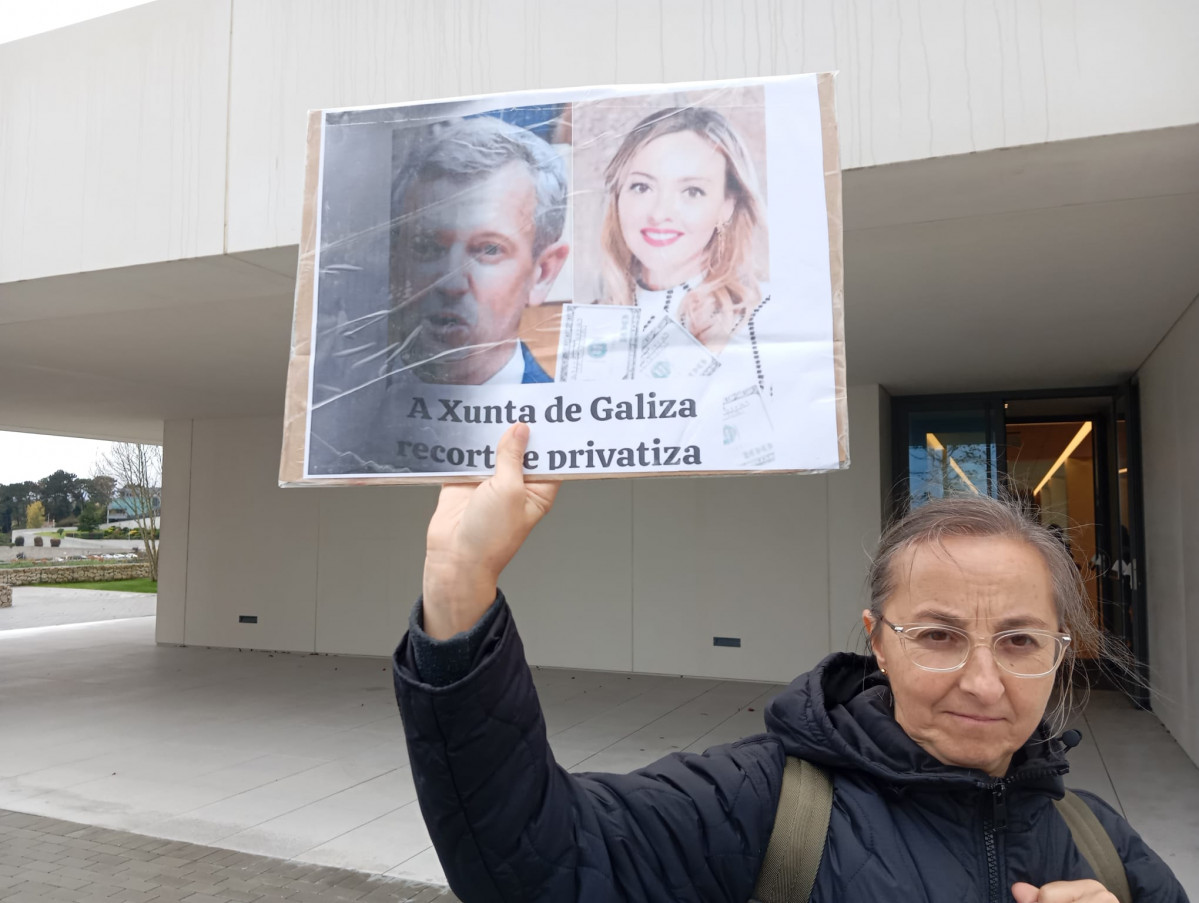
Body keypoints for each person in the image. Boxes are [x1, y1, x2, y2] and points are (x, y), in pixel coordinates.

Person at [392, 424, 1188, 902]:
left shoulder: (1101, 845)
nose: (982, 682)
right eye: (937, 635)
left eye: (1017, 641)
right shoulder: (764, 805)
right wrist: (460, 584)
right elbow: (535, 859)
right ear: (877, 641)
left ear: (1059, 650)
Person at [596, 106, 781, 397]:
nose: (660, 213)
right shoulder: (592, 324)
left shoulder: (765, 315)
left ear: (727, 205)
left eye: (692, 191)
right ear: (618, 195)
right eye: (642, 187)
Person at [390, 114, 571, 385]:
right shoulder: (348, 395)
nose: (451, 283)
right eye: (426, 247)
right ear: (395, 260)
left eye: (489, 249)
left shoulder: (568, 413)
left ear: (543, 273)